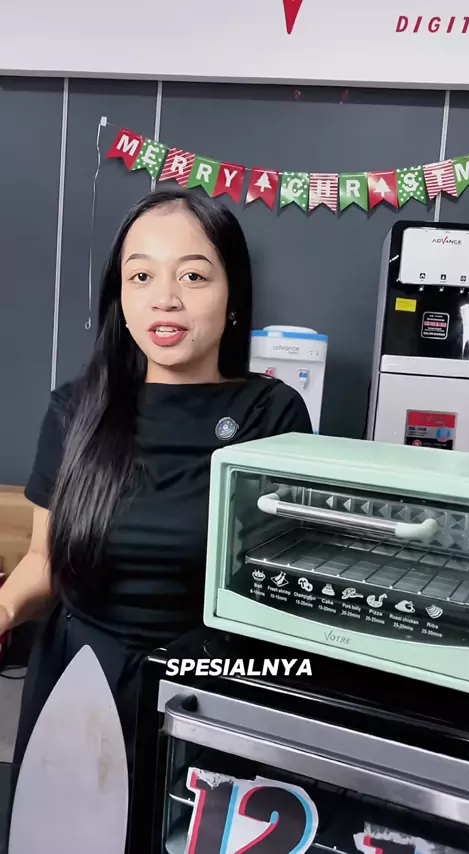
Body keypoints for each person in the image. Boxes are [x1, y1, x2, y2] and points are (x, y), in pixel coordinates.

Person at [0, 187, 312, 791]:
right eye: (141, 276)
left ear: (232, 297)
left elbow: (283, 592)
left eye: (193, 276)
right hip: (79, 681)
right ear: (120, 297)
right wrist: (5, 608)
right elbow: (45, 560)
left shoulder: (271, 414)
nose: (165, 298)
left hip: (210, 691)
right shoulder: (77, 409)